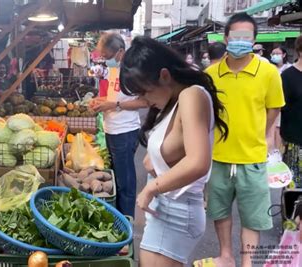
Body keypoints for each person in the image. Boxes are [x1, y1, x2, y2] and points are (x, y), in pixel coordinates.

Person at [120, 36, 228, 267]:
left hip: (177, 215)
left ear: (165, 76)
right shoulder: (174, 101)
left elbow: (199, 162)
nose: (144, 100)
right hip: (166, 212)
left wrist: (152, 187)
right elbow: (175, 148)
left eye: (145, 92)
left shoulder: (192, 95)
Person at [195, 13, 285, 267]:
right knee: (220, 212)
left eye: (247, 37)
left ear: (255, 40)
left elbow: (274, 107)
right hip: (219, 157)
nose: (241, 42)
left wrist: (260, 132)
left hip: (253, 159)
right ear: (225, 39)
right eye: (236, 37)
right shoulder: (210, 75)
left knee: (253, 218)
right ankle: (226, 256)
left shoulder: (268, 72)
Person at [89, 32, 148, 217]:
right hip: (112, 130)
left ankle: (126, 221)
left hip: (125, 132)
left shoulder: (133, 72)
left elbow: (144, 102)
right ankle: (118, 218)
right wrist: (101, 101)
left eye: (107, 56)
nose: (105, 60)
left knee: (126, 183)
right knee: (116, 178)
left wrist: (114, 104)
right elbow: (115, 97)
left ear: (120, 52)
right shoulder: (116, 70)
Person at [281, 35, 302, 188]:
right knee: (294, 191)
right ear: (299, 51)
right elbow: (280, 110)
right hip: (295, 143)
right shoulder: (287, 76)